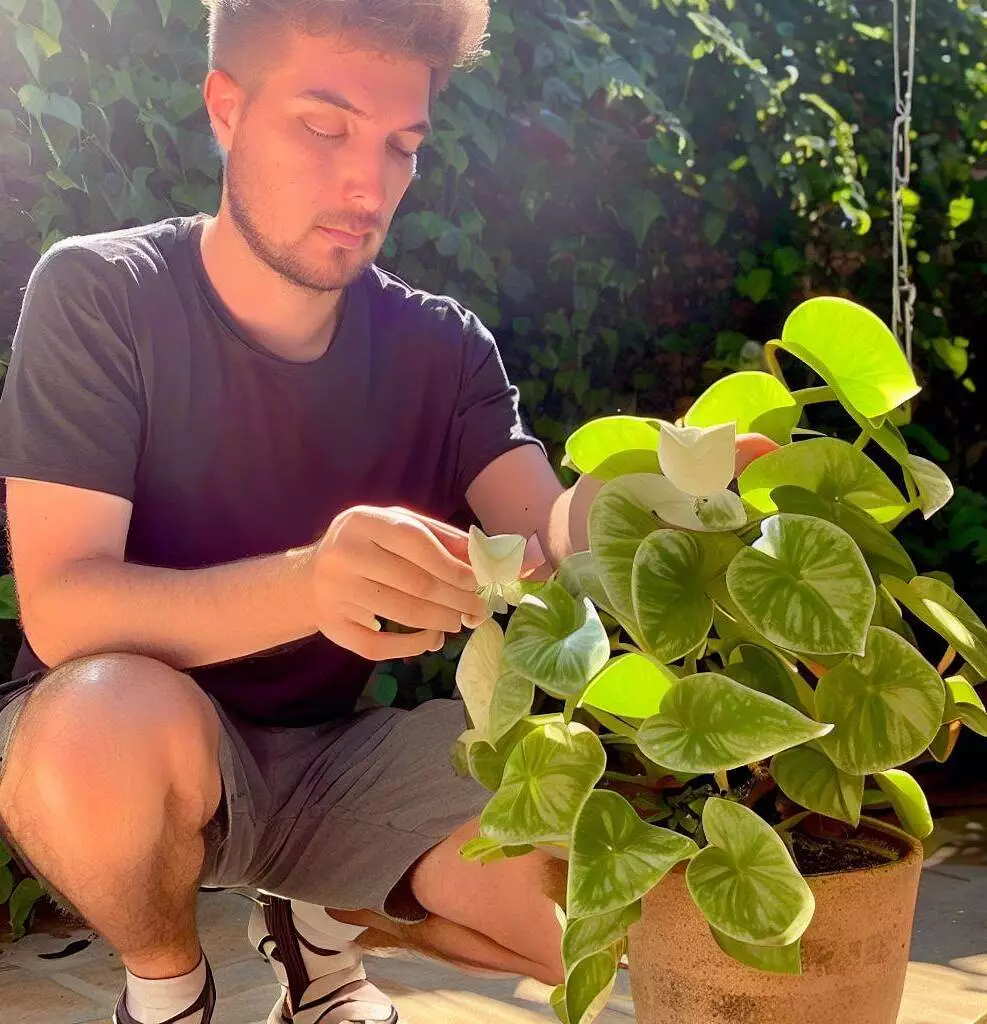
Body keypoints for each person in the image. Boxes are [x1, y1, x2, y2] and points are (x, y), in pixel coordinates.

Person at [0, 2, 775, 1021]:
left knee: (586, 910)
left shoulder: (442, 349)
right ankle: (168, 982)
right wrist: (309, 585)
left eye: (400, 146)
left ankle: (321, 927)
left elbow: (542, 535)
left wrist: (627, 509)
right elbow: (62, 609)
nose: (368, 185)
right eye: (324, 129)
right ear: (226, 109)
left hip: (338, 762)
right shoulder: (102, 293)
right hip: (141, 740)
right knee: (92, 729)